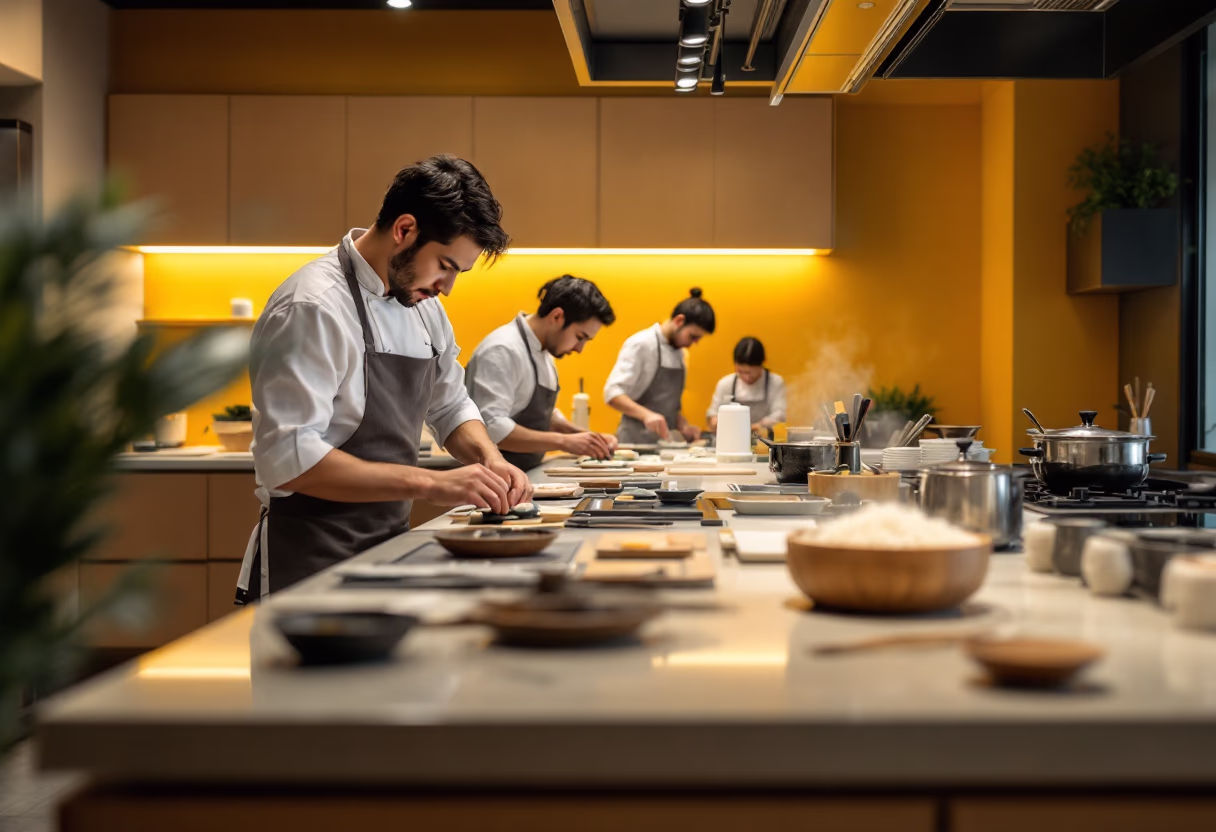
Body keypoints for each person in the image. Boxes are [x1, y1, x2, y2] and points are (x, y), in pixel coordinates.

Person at [236, 155, 532, 603]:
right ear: (404, 230)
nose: (447, 287)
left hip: (389, 551)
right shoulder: (312, 306)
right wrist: (433, 483)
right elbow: (290, 457)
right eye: (446, 265)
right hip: (309, 557)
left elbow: (450, 405)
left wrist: (490, 458)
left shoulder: (425, 307)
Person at [465, 276, 619, 471]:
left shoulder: (544, 351)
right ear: (556, 317)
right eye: (580, 337)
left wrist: (587, 438)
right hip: (491, 477)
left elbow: (543, 416)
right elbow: (492, 427)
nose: (579, 349)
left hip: (523, 473)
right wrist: (564, 442)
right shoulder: (502, 349)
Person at [604, 287, 715, 444]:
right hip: (634, 444)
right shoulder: (641, 344)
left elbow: (669, 407)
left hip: (665, 446)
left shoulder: (681, 354)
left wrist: (684, 425)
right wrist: (647, 415)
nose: (694, 343)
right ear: (679, 321)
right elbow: (612, 394)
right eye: (693, 336)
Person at [706, 337, 787, 435]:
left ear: (763, 364)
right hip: (732, 440)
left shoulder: (775, 382)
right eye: (741, 372)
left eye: (751, 373)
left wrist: (756, 426)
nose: (746, 377)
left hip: (764, 442)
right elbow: (713, 413)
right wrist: (715, 422)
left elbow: (779, 415)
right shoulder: (726, 384)